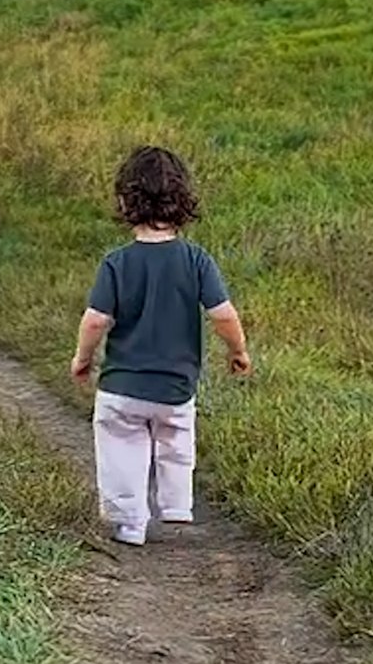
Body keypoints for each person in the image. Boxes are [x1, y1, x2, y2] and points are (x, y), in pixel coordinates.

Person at [70, 145, 252, 547]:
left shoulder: (116, 263)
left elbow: (97, 319)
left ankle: (129, 522)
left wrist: (83, 358)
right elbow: (222, 314)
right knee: (176, 440)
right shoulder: (196, 260)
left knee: (121, 448)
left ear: (124, 201)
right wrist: (238, 351)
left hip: (122, 388)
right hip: (175, 387)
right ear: (183, 200)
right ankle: (176, 505)